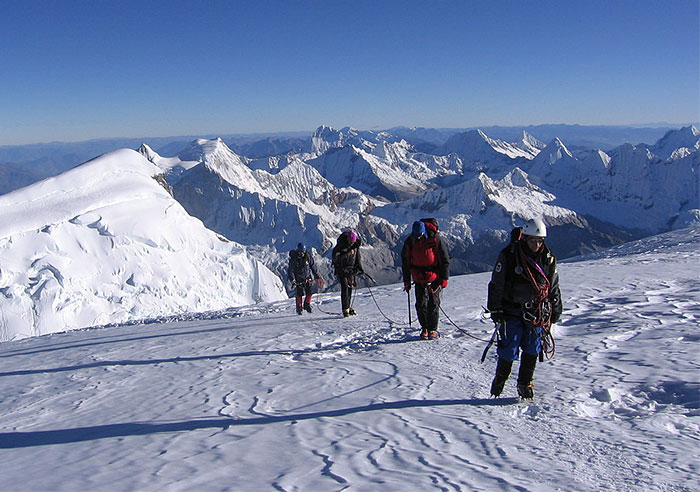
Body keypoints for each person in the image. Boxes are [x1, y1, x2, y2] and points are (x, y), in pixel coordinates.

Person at [486, 218, 562, 399]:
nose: (536, 245)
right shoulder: (509, 255)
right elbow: (497, 283)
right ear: (525, 238)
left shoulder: (548, 258)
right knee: (509, 346)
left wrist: (556, 308)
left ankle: (525, 383)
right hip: (511, 310)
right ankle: (501, 377)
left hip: (536, 311)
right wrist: (495, 308)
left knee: (532, 348)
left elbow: (553, 286)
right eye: (533, 241)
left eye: (539, 241)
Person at [401, 218, 450, 340]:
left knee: (433, 303)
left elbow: (445, 260)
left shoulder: (434, 239)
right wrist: (406, 281)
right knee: (421, 303)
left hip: (434, 277)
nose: (418, 238)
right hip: (418, 277)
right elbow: (405, 262)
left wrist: (444, 278)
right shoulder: (410, 242)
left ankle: (432, 329)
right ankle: (425, 327)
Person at [332, 230, 364, 317]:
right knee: (345, 287)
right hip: (341, 270)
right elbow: (336, 259)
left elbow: (357, 258)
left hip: (351, 270)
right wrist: (347, 253)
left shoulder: (355, 246)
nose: (351, 244)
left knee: (349, 287)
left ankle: (348, 307)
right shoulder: (340, 247)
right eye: (350, 242)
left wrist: (360, 268)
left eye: (353, 242)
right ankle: (345, 308)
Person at [288, 242, 324, 315]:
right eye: (300, 252)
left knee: (309, 292)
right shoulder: (294, 259)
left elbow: (313, 267)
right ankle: (299, 307)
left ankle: (307, 304)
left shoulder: (308, 257)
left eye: (303, 252)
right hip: (298, 279)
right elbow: (290, 270)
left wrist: (317, 276)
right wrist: (293, 280)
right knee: (299, 293)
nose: (302, 254)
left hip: (307, 277)